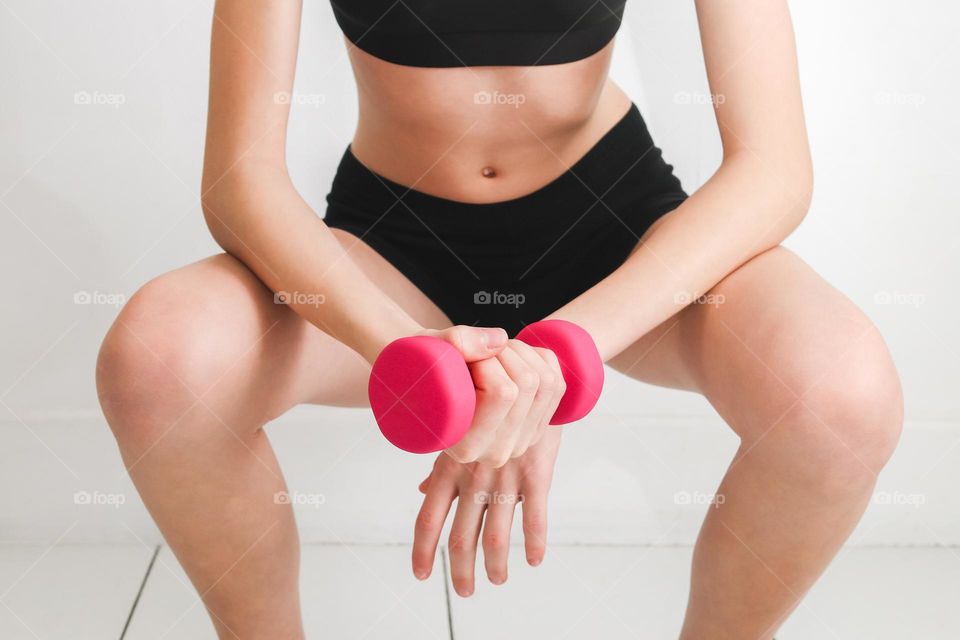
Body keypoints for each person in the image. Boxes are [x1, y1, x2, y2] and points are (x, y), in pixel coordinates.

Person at [95, 1, 903, 637]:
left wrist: (561, 352)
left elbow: (774, 170)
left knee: (842, 398)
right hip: (394, 252)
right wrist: (408, 353)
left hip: (610, 238)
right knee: (159, 358)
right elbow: (241, 181)